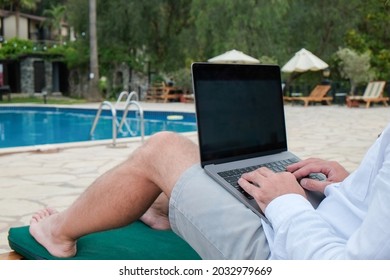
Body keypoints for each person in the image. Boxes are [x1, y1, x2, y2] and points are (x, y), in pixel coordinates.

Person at [30, 122, 390, 259]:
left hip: (287, 253)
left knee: (162, 148)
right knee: (200, 165)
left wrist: (287, 203)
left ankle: (57, 233)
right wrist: (353, 186)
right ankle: (160, 212)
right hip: (323, 222)